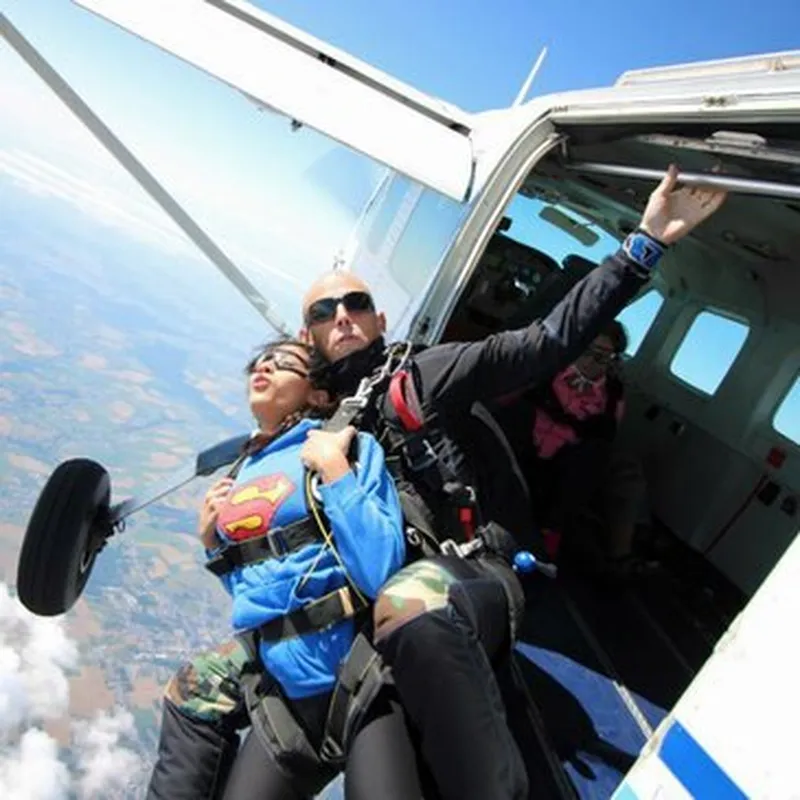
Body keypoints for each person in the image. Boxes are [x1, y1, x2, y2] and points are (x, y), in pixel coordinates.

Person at [299, 165, 726, 800]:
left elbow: (542, 343)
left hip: (475, 575)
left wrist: (642, 248)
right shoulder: (322, 422)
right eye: (324, 311)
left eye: (356, 304)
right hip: (397, 590)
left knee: (411, 606)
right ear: (309, 335)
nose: (343, 317)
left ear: (381, 317)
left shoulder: (426, 374)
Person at [145, 338, 424, 800]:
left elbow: (379, 568)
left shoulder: (345, 446)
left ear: (317, 394)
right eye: (259, 360)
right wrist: (214, 545)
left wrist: (335, 471)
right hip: (284, 699)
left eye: (285, 362)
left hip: (360, 682)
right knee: (187, 696)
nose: (265, 365)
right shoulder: (244, 470)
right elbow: (257, 595)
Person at [491, 321, 652, 577]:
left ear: (612, 360)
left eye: (602, 356)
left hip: (560, 472)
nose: (591, 361)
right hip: (519, 453)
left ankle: (550, 535)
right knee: (516, 414)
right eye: (587, 350)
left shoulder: (612, 398)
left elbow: (605, 438)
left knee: (597, 454)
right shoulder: (548, 368)